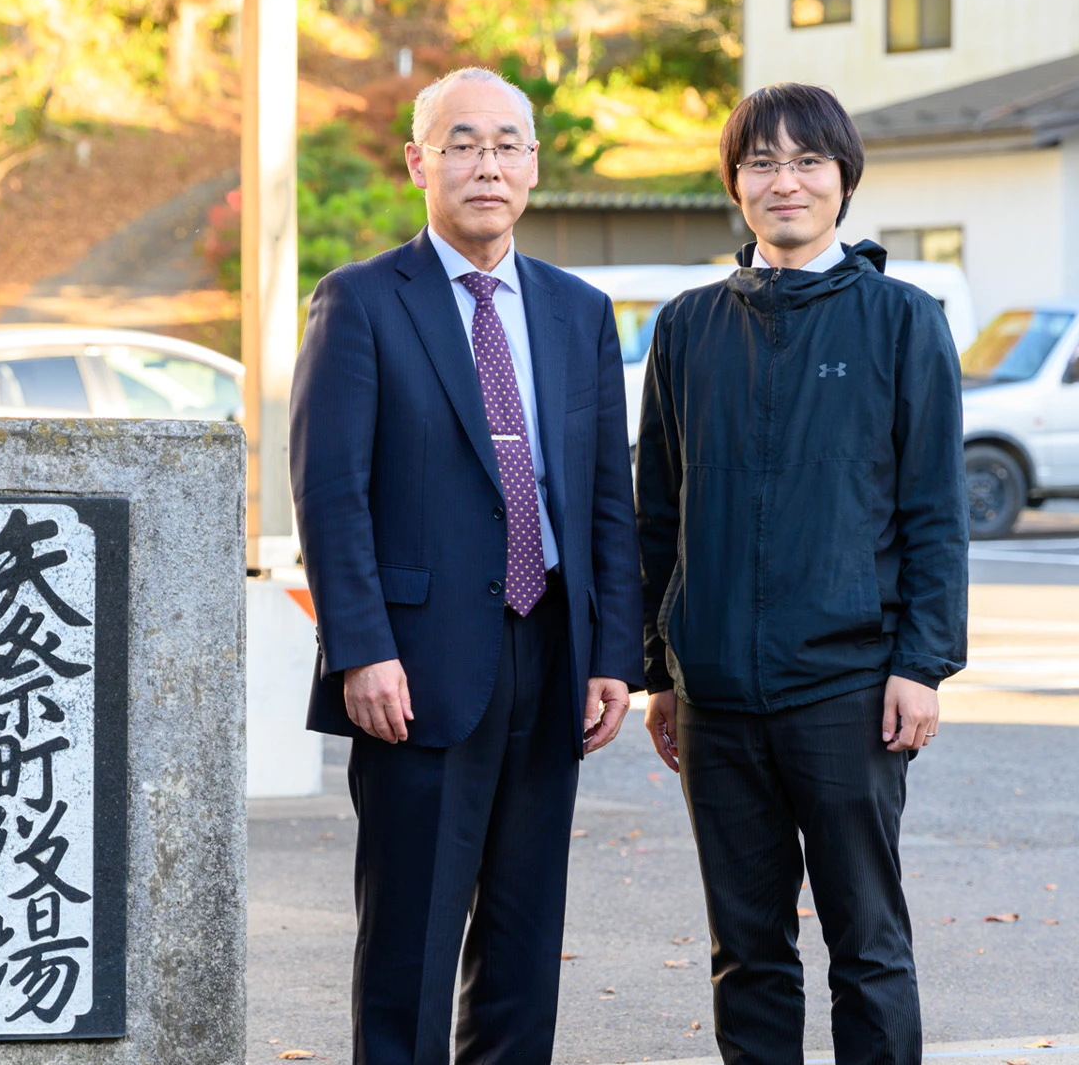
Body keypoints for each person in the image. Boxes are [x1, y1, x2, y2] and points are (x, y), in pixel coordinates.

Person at [289, 67, 645, 1065]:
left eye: (506, 144)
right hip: (417, 665)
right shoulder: (360, 302)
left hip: (552, 656)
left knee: (525, 952)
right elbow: (329, 493)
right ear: (419, 163)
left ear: (533, 165)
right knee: (409, 948)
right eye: (461, 143)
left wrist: (614, 653)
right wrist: (361, 649)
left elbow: (604, 497)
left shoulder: (578, 310)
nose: (485, 163)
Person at [634, 82, 968, 1065]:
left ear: (844, 179)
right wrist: (660, 666)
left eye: (807, 160)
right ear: (735, 186)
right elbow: (658, 512)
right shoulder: (688, 328)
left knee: (866, 940)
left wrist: (923, 664)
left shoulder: (902, 321)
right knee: (748, 948)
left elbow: (937, 513)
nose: (785, 181)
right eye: (761, 162)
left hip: (850, 687)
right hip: (718, 698)